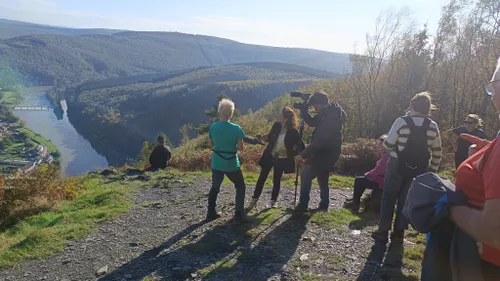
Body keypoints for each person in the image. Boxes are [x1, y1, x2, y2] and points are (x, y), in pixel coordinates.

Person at [446, 57, 500, 277]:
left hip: (486, 266)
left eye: (493, 86)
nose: (492, 94)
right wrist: (489, 153)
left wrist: (450, 207)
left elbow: (496, 232)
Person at [372, 92, 442, 243]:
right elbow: (437, 152)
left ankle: (383, 230)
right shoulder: (433, 126)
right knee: (406, 201)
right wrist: (432, 171)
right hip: (420, 169)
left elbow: (388, 145)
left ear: (411, 106)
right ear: (428, 109)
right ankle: (399, 234)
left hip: (397, 165)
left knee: (389, 198)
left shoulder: (401, 121)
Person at [294, 91, 346, 212]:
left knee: (306, 174)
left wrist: (302, 155)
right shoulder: (328, 112)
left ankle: (303, 205)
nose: (314, 108)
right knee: (322, 176)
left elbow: (320, 141)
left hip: (326, 152)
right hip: (329, 151)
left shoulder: (331, 117)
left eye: (315, 106)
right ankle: (324, 205)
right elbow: (313, 122)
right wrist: (304, 112)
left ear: (322, 103)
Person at [246, 107, 303, 211]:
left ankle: (273, 201)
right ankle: (254, 200)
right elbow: (272, 138)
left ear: (285, 117)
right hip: (270, 155)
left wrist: (295, 154)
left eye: (280, 114)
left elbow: (299, 146)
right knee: (262, 178)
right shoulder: (276, 125)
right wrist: (266, 137)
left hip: (282, 158)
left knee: (276, 180)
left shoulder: (293, 131)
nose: (278, 115)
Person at [206, 98, 248, 223]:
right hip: (231, 163)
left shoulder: (213, 127)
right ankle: (239, 214)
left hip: (217, 162)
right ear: (231, 113)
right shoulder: (236, 128)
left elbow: (211, 144)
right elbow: (241, 148)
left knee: (215, 186)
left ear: (220, 112)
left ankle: (210, 212)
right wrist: (232, 147)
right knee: (240, 186)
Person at [344, 134, 390, 213]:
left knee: (359, 181)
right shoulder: (386, 155)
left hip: (382, 183)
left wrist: (367, 174)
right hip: (381, 180)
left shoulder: (387, 157)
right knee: (362, 180)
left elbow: (379, 170)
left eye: (380, 145)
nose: (379, 147)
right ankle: (355, 200)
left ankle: (355, 203)